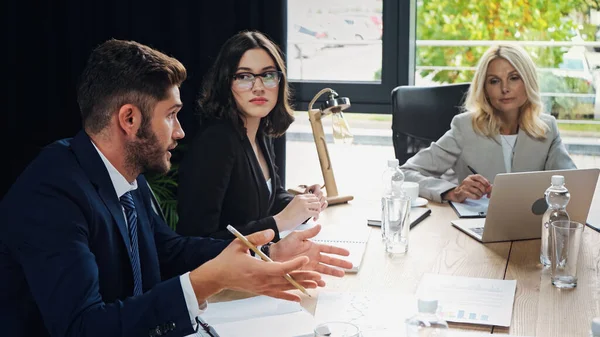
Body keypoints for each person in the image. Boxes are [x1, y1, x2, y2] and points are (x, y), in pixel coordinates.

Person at [0, 39, 351, 337]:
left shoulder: (125, 173)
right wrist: (202, 283)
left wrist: (268, 253)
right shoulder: (51, 194)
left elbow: (168, 250)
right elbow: (83, 327)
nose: (180, 132)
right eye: (171, 115)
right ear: (129, 119)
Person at [177, 31, 327, 241]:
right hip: (225, 273)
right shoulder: (216, 142)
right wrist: (280, 222)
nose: (258, 87)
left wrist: (303, 202)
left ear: (279, 81)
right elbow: (198, 241)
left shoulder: (259, 131)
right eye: (244, 77)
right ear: (226, 83)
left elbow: (270, 198)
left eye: (267, 75)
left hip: (258, 265)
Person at [401, 44, 576, 203]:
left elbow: (575, 183)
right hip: (475, 224)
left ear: (528, 81)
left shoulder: (547, 128)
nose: (505, 88)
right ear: (484, 88)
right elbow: (405, 174)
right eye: (494, 81)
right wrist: (451, 191)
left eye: (514, 78)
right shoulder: (465, 127)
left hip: (531, 225)